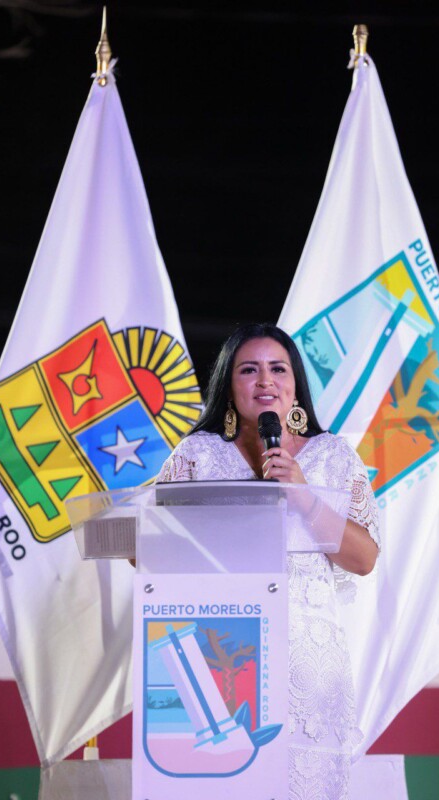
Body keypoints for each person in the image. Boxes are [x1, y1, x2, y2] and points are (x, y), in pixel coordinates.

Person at [156, 322, 379, 800]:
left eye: (278, 369)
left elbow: (363, 558)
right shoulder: (196, 456)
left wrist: (301, 494)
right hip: (219, 661)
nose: (265, 381)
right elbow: (150, 550)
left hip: (308, 678)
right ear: (228, 386)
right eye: (248, 370)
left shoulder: (332, 456)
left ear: (295, 384)